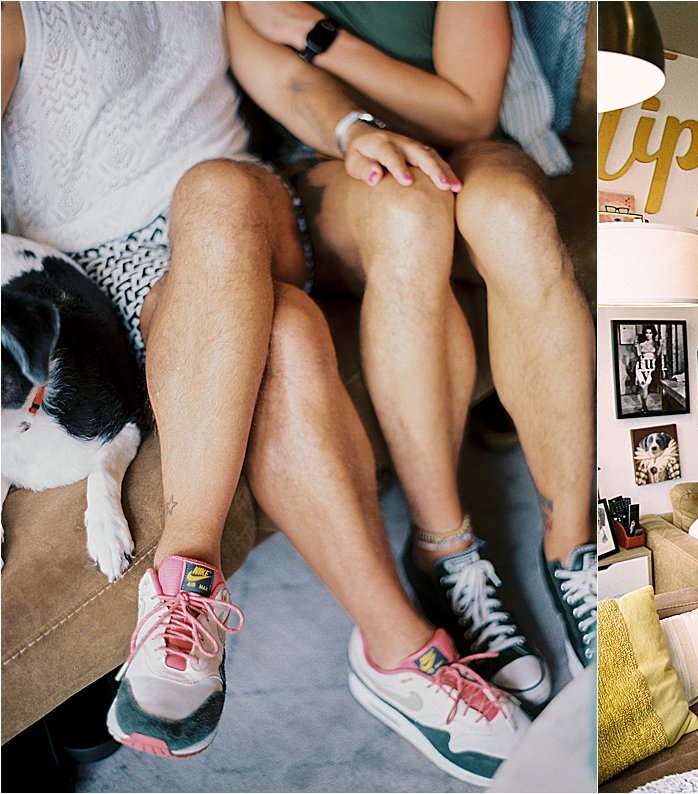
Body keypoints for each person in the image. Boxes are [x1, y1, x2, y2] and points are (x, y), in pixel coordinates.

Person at [1, 3, 527, 784]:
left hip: (251, 209)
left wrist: (350, 132)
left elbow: (280, 74)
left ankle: (186, 578)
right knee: (280, 331)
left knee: (218, 186)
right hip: (104, 277)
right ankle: (401, 652)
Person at [235, 1, 597, 689]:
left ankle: (572, 547)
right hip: (333, 161)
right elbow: (281, 83)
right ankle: (444, 552)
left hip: (467, 147)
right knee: (408, 205)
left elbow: (465, 115)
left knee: (516, 218)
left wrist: (316, 35)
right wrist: (357, 129)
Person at [635, 325, 659, 411]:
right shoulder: (641, 344)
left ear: (653, 334)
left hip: (651, 367)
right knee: (643, 386)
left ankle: (644, 405)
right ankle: (644, 405)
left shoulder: (656, 344)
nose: (648, 335)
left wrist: (662, 344)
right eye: (646, 333)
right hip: (641, 366)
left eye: (650, 333)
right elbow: (638, 355)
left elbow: (658, 355)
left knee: (646, 386)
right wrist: (637, 346)